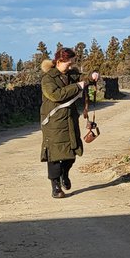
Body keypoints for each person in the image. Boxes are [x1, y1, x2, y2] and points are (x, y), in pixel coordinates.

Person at [40, 47, 100, 198]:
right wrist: (77, 86)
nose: (71, 66)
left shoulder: (71, 74)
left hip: (70, 118)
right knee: (54, 155)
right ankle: (55, 187)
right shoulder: (48, 79)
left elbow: (83, 78)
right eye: (69, 63)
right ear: (60, 61)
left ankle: (64, 174)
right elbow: (56, 95)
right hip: (54, 121)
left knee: (72, 152)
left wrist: (92, 76)